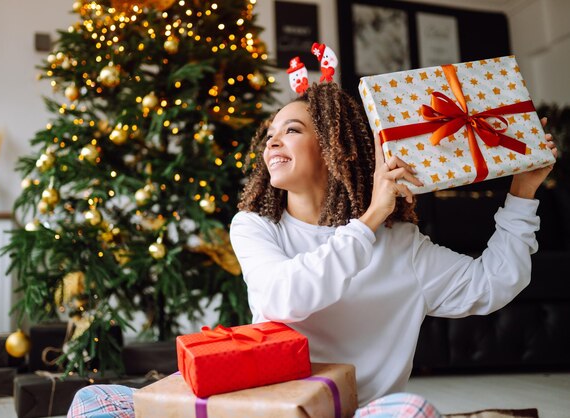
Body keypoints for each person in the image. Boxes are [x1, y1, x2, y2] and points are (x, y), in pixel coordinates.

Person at [67, 82, 557, 417]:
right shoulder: (255, 226)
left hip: (357, 412)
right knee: (95, 402)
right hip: (267, 408)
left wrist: (522, 192)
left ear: (336, 148)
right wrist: (368, 221)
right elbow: (286, 298)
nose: (272, 142)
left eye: (292, 130)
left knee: (413, 411)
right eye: (270, 135)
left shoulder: (401, 247)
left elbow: (494, 284)